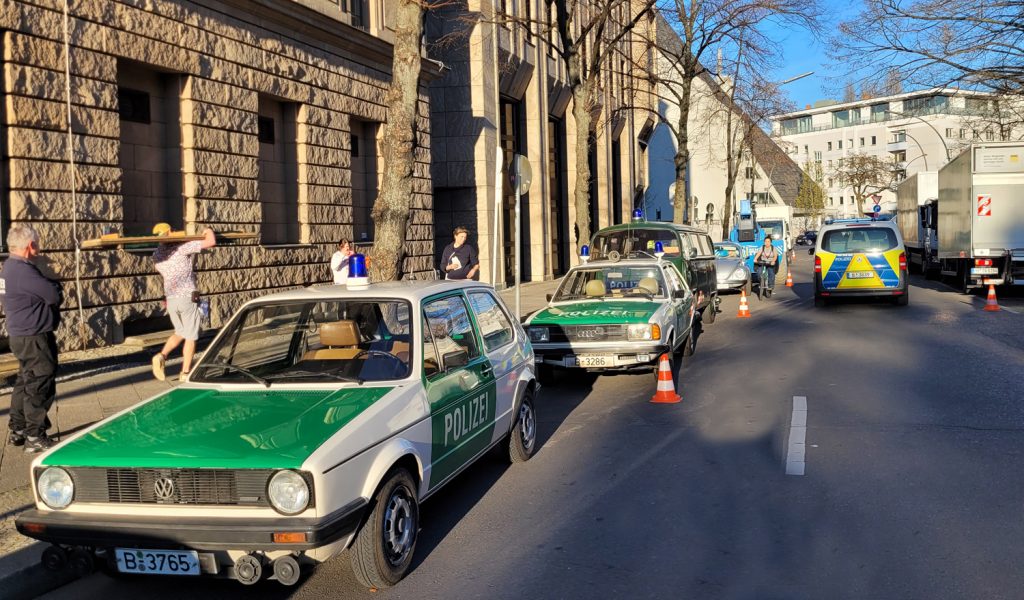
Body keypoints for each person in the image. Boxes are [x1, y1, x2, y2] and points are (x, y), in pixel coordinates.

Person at [0, 225, 63, 453]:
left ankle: (17, 429)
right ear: (30, 246)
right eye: (37, 242)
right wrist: (56, 286)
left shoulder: (9, 267)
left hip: (20, 335)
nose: (39, 246)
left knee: (25, 382)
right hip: (35, 337)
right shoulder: (24, 271)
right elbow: (53, 295)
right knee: (40, 383)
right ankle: (35, 436)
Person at [151, 223, 216, 381]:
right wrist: (208, 230)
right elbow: (210, 242)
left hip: (171, 299)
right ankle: (185, 372)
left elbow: (159, 268)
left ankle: (161, 356)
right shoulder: (182, 247)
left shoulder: (157, 255)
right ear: (170, 232)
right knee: (191, 336)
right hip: (187, 297)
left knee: (180, 332)